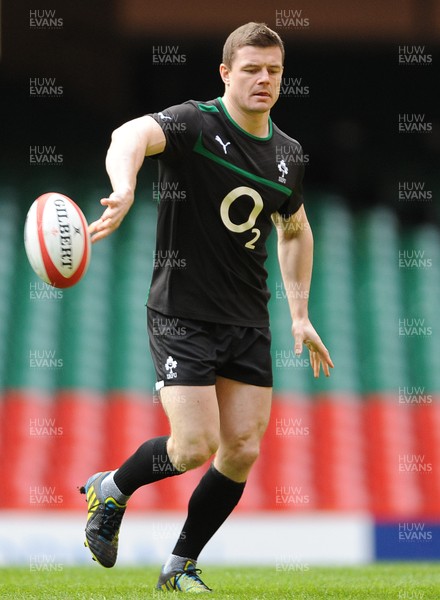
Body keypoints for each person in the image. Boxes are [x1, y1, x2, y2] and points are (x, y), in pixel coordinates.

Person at [80, 22, 334, 593]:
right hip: (182, 312)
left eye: (273, 71)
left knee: (241, 448)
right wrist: (123, 186)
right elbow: (129, 136)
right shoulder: (196, 123)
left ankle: (180, 567)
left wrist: (299, 313)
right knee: (194, 446)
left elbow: (295, 229)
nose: (264, 79)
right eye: (251, 69)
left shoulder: (289, 155)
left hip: (247, 317)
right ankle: (112, 489)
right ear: (225, 73)